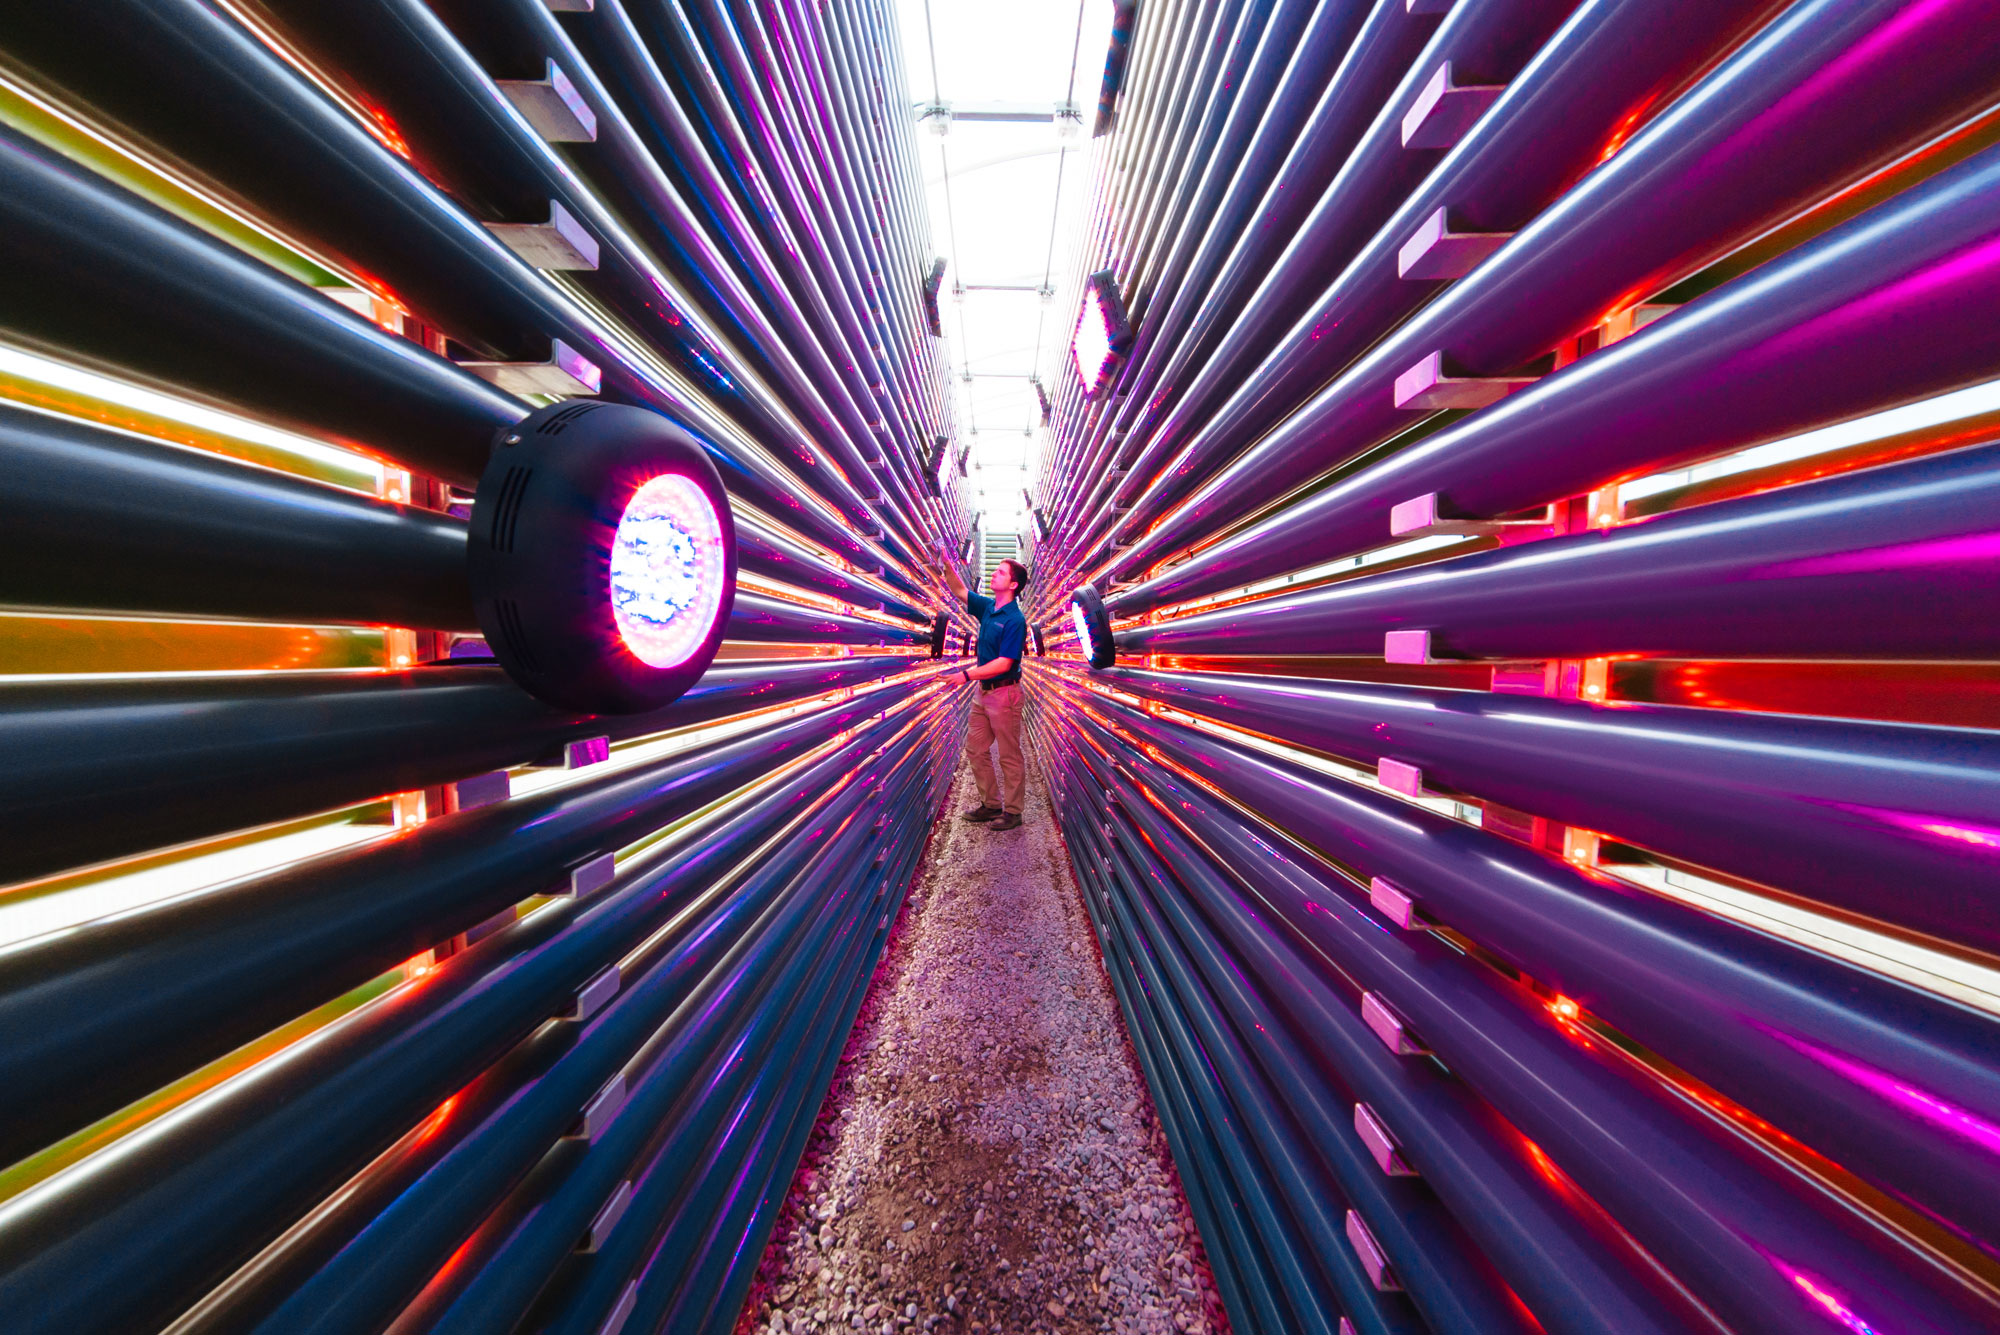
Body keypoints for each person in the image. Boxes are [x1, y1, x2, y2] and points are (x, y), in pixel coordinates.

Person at [935, 553, 1029, 830]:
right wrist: (946, 564)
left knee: (1009, 755)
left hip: (1005, 694)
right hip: (983, 693)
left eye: (1001, 572)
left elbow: (1004, 663)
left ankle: (1013, 812)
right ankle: (991, 805)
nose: (994, 574)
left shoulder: (1015, 619)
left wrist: (965, 675)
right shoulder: (988, 607)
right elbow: (960, 591)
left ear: (1013, 585)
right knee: (975, 749)